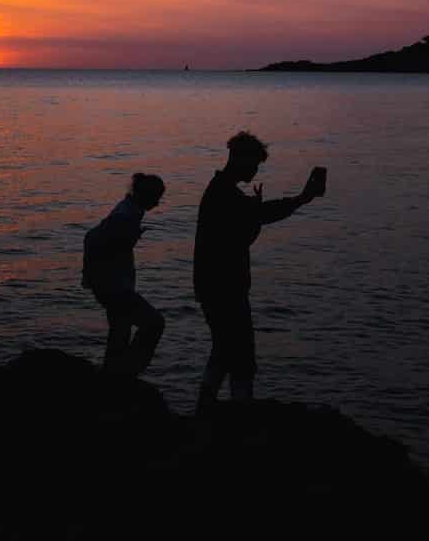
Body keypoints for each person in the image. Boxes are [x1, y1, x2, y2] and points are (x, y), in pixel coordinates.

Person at [194, 131, 326, 410]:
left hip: (213, 286)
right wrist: (301, 199)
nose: (255, 170)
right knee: (241, 355)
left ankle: (206, 407)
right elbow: (257, 220)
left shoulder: (221, 190)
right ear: (240, 159)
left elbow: (254, 219)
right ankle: (240, 410)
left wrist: (259, 211)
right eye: (254, 164)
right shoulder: (224, 194)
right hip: (224, 288)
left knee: (224, 349)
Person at [82, 173, 166, 379]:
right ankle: (127, 373)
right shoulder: (126, 215)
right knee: (154, 323)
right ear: (146, 196)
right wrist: (91, 275)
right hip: (113, 286)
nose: (158, 202)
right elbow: (92, 238)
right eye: (157, 197)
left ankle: (113, 377)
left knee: (120, 330)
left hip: (112, 284)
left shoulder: (130, 211)